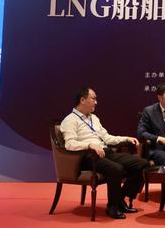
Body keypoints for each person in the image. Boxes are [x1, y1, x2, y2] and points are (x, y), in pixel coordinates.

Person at [60, 87, 148, 219]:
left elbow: (107, 138)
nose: (96, 102)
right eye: (93, 99)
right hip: (87, 156)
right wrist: (89, 145)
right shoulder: (70, 120)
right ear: (82, 100)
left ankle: (120, 199)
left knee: (141, 164)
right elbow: (69, 144)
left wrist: (126, 138)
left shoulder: (94, 118)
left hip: (106, 152)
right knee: (116, 169)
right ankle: (112, 207)